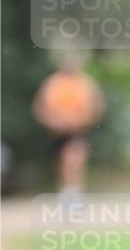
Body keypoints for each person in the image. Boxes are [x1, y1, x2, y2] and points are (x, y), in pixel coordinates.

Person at [32, 57, 106, 199]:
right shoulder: (52, 83)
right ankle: (66, 191)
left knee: (74, 159)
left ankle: (75, 191)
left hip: (79, 130)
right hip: (57, 132)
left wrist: (83, 121)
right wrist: (52, 122)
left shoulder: (85, 83)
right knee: (61, 163)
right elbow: (40, 108)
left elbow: (97, 106)